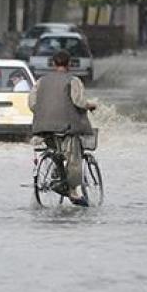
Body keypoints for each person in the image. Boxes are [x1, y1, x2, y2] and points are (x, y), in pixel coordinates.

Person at [28, 50, 96, 207]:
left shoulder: (41, 82)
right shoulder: (73, 80)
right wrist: (90, 105)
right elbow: (78, 101)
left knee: (56, 152)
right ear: (69, 64)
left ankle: (57, 177)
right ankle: (73, 192)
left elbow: (32, 103)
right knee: (73, 159)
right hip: (65, 127)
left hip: (43, 127)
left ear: (53, 64)